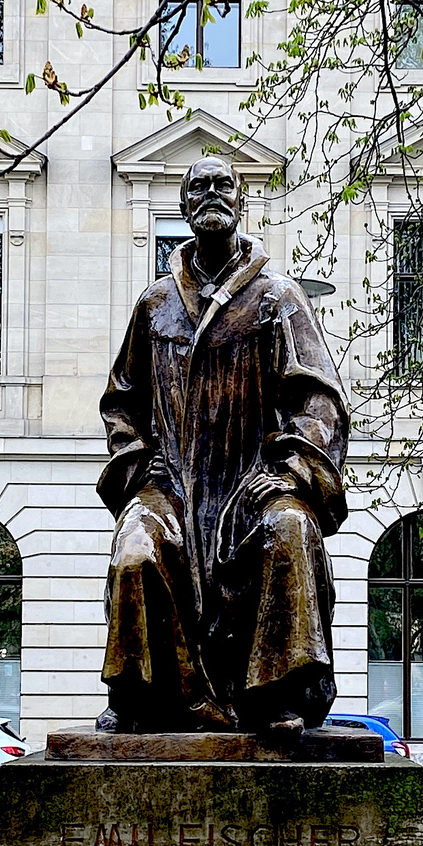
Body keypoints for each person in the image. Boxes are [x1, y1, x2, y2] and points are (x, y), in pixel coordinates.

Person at [97, 156, 348, 734]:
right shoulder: (154, 306)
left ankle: (276, 696)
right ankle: (139, 691)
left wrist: (289, 471)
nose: (211, 194)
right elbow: (122, 401)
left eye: (223, 185)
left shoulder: (276, 298)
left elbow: (319, 401)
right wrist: (138, 464)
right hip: (174, 482)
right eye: (198, 187)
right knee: (136, 542)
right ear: (183, 208)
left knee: (289, 529)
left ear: (241, 202)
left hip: (254, 480)